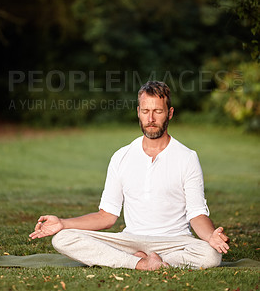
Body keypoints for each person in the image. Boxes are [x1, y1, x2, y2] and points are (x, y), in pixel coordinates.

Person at [29, 81, 229, 270]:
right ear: (138, 113)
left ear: (169, 113)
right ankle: (141, 263)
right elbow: (106, 216)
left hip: (174, 242)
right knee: (63, 238)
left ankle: (145, 261)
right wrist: (63, 223)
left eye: (157, 111)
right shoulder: (121, 156)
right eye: (145, 111)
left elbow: (196, 214)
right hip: (131, 240)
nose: (150, 119)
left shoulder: (187, 157)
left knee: (210, 254)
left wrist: (211, 236)